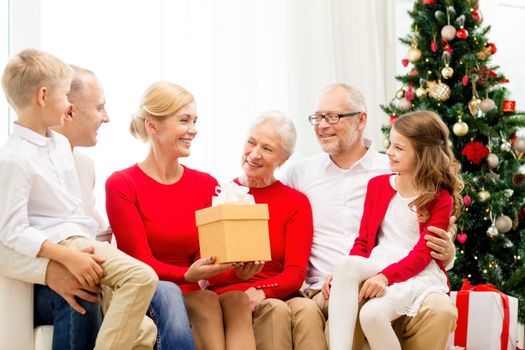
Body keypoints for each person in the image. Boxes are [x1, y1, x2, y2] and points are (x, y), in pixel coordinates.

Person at [0, 49, 158, 350]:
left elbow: (74, 211)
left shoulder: (60, 146)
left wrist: (91, 244)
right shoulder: (13, 160)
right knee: (142, 277)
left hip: (81, 241)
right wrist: (67, 258)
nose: (69, 104)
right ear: (44, 96)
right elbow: (12, 231)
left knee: (143, 331)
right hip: (62, 246)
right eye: (64, 96)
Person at [281, 83, 458, 350]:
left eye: (332, 117)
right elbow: (362, 240)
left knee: (439, 309)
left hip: (404, 273)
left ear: (361, 120)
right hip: (338, 281)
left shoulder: (387, 170)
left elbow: (428, 245)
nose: (322, 125)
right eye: (317, 117)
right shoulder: (301, 173)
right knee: (350, 283)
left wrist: (448, 251)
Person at [105, 81, 256, 350]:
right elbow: (141, 263)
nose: (193, 130)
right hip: (153, 289)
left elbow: (208, 261)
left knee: (237, 299)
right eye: (184, 120)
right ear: (153, 126)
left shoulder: (206, 184)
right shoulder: (122, 184)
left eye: (195, 120)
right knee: (203, 300)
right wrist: (188, 275)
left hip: (192, 287)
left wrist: (238, 271)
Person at [324, 110, 463, 350]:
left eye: (399, 148)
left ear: (422, 155)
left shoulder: (439, 197)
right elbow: (363, 241)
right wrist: (348, 274)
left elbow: (422, 255)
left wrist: (385, 277)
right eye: (391, 145)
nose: (389, 152)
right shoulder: (377, 186)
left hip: (417, 271)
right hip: (381, 261)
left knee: (372, 315)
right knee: (344, 265)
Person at [206, 112, 314, 349]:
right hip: (229, 294)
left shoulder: (295, 203)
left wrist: (262, 291)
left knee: (308, 309)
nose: (254, 154)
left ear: (283, 159)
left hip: (278, 291)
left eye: (267, 149)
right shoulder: (218, 195)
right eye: (251, 142)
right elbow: (208, 271)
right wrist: (244, 282)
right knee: (275, 310)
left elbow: (295, 273)